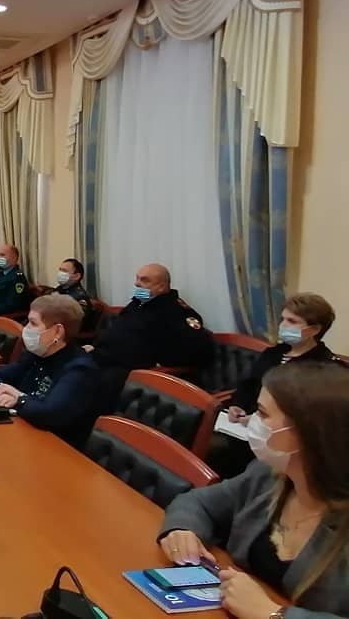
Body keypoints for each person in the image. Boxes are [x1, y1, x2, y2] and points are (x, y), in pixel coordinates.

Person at [158, 362, 349, 619]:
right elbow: (198, 502)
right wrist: (182, 530)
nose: (252, 421)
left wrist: (272, 614)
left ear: (308, 432)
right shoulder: (268, 475)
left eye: (262, 413)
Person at [207, 294, 338, 480]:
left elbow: (308, 413)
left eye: (292, 321)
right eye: (283, 319)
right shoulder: (274, 352)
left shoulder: (323, 366)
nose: (283, 325)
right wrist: (238, 405)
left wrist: (258, 421)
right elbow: (249, 384)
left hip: (281, 439)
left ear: (314, 329)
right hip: (243, 426)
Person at [87, 263, 214, 413]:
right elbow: (117, 331)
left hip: (133, 370)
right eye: (137, 278)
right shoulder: (138, 303)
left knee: (95, 384)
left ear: (161, 286)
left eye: (144, 280)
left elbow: (196, 350)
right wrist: (96, 346)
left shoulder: (175, 312)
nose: (136, 283)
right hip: (106, 357)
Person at [0, 294, 100, 447]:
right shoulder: (36, 354)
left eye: (33, 323)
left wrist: (18, 399)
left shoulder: (80, 369)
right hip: (23, 430)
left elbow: (49, 413)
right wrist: (1, 390)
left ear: (57, 332)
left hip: (56, 448)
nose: (26, 328)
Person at [54, 257, 94, 328]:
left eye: (64, 271)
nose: (60, 273)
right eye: (60, 270)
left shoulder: (80, 297)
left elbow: (75, 322)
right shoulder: (59, 289)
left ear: (77, 276)